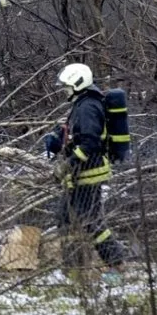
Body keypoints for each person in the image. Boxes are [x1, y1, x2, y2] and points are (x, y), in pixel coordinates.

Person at [43, 63, 125, 282]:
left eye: (67, 86)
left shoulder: (88, 106)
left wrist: (67, 164)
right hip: (80, 174)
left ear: (77, 84)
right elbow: (78, 136)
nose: (64, 90)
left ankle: (115, 264)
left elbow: (89, 142)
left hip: (89, 173)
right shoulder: (82, 104)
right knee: (65, 218)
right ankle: (73, 267)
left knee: (90, 220)